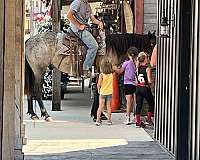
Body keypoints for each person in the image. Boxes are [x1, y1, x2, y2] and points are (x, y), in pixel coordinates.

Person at [67, 0, 104, 77]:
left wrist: (99, 23)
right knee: (94, 46)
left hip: (84, 27)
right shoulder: (77, 2)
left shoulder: (87, 4)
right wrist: (79, 26)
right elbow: (69, 15)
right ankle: (86, 69)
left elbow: (93, 19)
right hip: (77, 29)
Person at [113, 47, 138, 125]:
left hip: (127, 84)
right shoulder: (136, 63)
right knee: (135, 102)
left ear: (128, 54)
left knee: (128, 102)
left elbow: (120, 71)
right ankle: (136, 117)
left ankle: (128, 118)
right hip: (135, 83)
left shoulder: (126, 63)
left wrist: (114, 68)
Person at [135, 52, 155, 128]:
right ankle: (149, 118)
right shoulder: (147, 68)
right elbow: (149, 80)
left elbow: (136, 80)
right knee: (151, 102)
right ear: (145, 59)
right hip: (145, 88)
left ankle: (138, 121)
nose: (148, 59)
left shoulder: (138, 68)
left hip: (138, 87)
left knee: (139, 104)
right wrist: (153, 81)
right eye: (147, 58)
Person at [96, 58, 113, 126]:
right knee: (109, 106)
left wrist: (98, 89)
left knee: (100, 106)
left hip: (103, 92)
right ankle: (109, 120)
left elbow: (99, 84)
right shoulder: (111, 75)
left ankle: (97, 120)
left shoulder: (101, 75)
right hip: (109, 92)